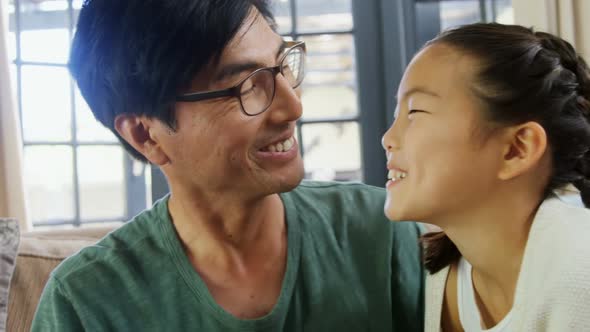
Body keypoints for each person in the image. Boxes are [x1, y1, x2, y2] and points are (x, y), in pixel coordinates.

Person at [31, 0, 425, 331]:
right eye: (247, 85)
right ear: (146, 135)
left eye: (282, 66)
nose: (293, 107)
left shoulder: (380, 231)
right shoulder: (85, 302)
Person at [381, 23, 590, 331]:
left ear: (517, 149)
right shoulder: (445, 276)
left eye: (415, 113)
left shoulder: (578, 271)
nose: (388, 138)